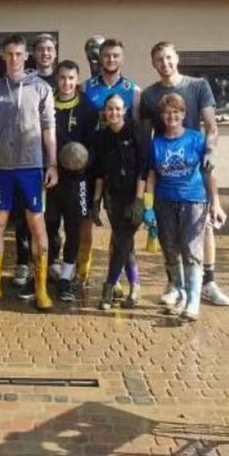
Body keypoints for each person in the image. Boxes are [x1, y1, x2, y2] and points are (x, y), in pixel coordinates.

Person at [139, 42, 229, 307]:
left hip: (195, 166)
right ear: (154, 64)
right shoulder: (149, 95)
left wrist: (209, 149)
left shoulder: (197, 85)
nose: (164, 63)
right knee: (169, 236)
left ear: (176, 58)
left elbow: (211, 125)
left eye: (168, 57)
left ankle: (208, 283)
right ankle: (174, 284)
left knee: (203, 230)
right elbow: (146, 136)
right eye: (159, 59)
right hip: (166, 170)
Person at [0, 35, 58, 311]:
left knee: (37, 227)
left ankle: (42, 290)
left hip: (32, 168)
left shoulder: (42, 88)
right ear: (3, 55)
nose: (14, 58)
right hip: (1, 169)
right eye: (9, 53)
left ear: (26, 56)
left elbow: (49, 129)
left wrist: (53, 164)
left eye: (19, 54)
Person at [146, 93, 227, 321]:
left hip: (193, 201)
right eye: (167, 113)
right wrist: (148, 208)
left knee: (192, 252)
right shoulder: (156, 143)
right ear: (161, 117)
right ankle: (180, 293)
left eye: (176, 112)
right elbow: (151, 177)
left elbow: (209, 173)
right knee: (170, 250)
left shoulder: (196, 139)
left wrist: (216, 204)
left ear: (183, 114)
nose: (171, 116)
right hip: (164, 202)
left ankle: (193, 301)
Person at [80, 38, 140, 295]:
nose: (111, 60)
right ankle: (82, 274)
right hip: (93, 164)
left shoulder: (133, 90)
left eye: (116, 56)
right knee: (86, 221)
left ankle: (116, 279)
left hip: (121, 169)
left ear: (122, 58)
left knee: (121, 228)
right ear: (99, 59)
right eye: (106, 56)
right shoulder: (86, 87)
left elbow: (137, 132)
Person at [43, 60, 97, 303]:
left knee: (74, 226)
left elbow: (95, 144)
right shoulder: (46, 103)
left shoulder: (87, 107)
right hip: (51, 176)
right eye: (63, 78)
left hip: (78, 180)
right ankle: (53, 266)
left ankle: (67, 276)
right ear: (57, 78)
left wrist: (83, 161)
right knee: (50, 224)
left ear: (77, 80)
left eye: (71, 78)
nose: (66, 83)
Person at [90, 93, 146, 311]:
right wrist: (96, 202)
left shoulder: (137, 133)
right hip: (113, 199)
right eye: (110, 108)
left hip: (134, 198)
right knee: (126, 245)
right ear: (105, 111)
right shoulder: (101, 137)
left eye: (118, 108)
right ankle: (135, 287)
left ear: (124, 111)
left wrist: (140, 200)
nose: (114, 112)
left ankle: (108, 287)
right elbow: (100, 174)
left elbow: (143, 169)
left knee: (122, 242)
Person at [14, 34, 58, 294]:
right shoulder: (25, 81)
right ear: (34, 53)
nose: (45, 53)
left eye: (50, 49)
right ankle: (23, 263)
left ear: (55, 53)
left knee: (50, 216)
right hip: (26, 158)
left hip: (51, 159)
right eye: (40, 49)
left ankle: (51, 261)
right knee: (24, 215)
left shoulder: (63, 78)